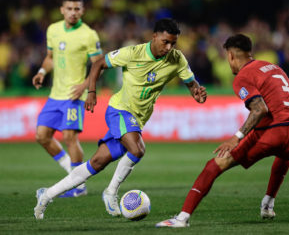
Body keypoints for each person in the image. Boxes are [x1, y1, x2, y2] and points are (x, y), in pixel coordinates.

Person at [33, 18, 207, 219]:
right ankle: (111, 192)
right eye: (165, 42)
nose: (169, 47)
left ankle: (46, 195)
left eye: (173, 43)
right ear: (155, 37)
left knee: (96, 163)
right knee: (138, 149)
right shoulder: (133, 53)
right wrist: (91, 91)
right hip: (120, 110)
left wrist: (196, 92)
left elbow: (191, 82)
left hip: (138, 118)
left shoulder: (177, 59)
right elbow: (99, 63)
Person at [156, 34, 289, 228]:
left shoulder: (243, 76)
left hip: (275, 132)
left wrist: (236, 138)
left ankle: (181, 219)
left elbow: (260, 108)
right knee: (284, 153)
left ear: (230, 56)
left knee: (215, 164)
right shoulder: (273, 67)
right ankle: (268, 204)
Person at [32, 0, 102, 198]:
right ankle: (73, 174)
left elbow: (99, 65)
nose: (73, 12)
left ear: (83, 11)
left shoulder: (88, 34)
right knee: (42, 136)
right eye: (69, 8)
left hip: (74, 95)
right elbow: (50, 58)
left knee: (70, 137)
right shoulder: (53, 29)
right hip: (55, 95)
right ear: (62, 10)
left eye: (77, 9)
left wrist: (84, 86)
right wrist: (42, 72)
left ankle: (79, 187)